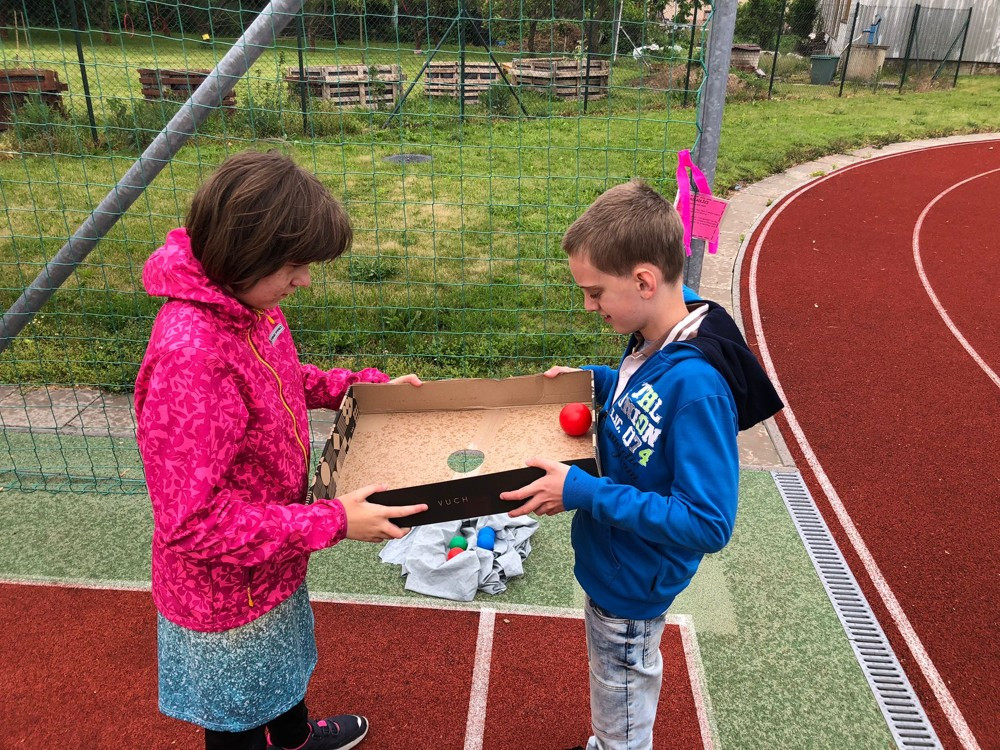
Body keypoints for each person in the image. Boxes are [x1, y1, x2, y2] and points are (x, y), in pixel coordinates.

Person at [134, 150, 427, 750]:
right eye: (293, 266)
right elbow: (192, 523)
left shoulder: (250, 307)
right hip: (224, 591)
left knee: (282, 667)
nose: (305, 280)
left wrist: (355, 388)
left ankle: (294, 738)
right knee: (239, 714)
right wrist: (334, 520)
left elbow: (282, 378)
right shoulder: (192, 358)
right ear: (245, 255)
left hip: (273, 548)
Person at [501, 179, 782, 750]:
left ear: (644, 281)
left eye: (595, 292)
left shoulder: (698, 388)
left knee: (621, 688)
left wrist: (582, 491)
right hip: (616, 559)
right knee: (615, 677)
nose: (589, 306)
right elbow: (641, 389)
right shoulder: (657, 330)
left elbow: (708, 523)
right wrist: (596, 381)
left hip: (635, 578)